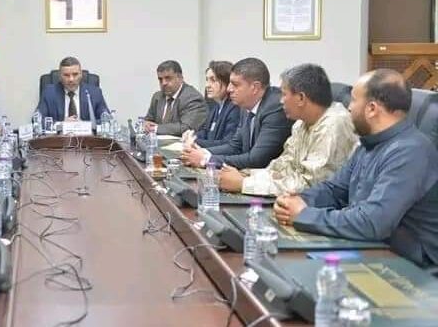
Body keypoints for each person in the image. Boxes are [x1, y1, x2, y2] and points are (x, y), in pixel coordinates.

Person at [273, 69, 438, 267]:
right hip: (370, 246)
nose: (349, 107)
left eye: (353, 100)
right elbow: (335, 189)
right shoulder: (369, 144)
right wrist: (298, 201)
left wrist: (304, 215)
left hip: (408, 265)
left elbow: (373, 223)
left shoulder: (410, 152)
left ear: (372, 109)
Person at [219, 64, 357, 196]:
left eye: (284, 94)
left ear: (301, 98)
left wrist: (244, 184)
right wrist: (245, 175)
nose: (281, 101)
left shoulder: (334, 124)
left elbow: (311, 185)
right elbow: (282, 168)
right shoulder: (301, 124)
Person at [181, 57, 292, 169]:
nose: (229, 89)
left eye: (235, 84)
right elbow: (235, 146)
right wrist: (202, 152)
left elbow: (257, 159)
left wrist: (206, 160)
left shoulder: (275, 108)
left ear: (255, 87)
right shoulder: (245, 106)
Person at [37, 56, 109, 123]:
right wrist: (61, 124)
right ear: (60, 76)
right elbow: (37, 119)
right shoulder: (49, 93)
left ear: (81, 75)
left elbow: (106, 119)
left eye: (75, 74)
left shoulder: (95, 93)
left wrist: (83, 125)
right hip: (59, 132)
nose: (71, 79)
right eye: (66, 75)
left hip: (86, 132)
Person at [143, 60, 207, 136]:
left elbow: (186, 127)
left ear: (180, 78)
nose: (163, 83)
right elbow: (148, 120)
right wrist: (146, 124)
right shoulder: (157, 97)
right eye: (160, 79)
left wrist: (155, 128)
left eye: (168, 78)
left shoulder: (192, 97)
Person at [186, 61, 240, 147]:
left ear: (227, 82)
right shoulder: (216, 106)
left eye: (213, 80)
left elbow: (227, 143)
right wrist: (192, 135)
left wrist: (195, 141)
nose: (207, 85)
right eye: (207, 80)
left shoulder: (235, 108)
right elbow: (205, 132)